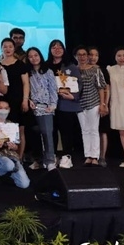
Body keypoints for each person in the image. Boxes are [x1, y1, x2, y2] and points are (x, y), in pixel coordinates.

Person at [0, 96, 30, 189]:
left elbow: (17, 146)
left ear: (9, 110)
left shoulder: (12, 125)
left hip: (12, 156)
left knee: (24, 184)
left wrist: (14, 147)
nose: (3, 111)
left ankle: (5, 174)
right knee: (8, 165)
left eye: (6, 108)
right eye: (0, 108)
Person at [47, 39, 81, 169]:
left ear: (64, 50)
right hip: (49, 106)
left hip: (66, 104)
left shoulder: (71, 66)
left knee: (67, 132)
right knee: (52, 132)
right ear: (50, 50)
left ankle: (67, 156)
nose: (57, 49)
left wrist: (73, 96)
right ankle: (53, 156)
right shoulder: (46, 66)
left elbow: (79, 84)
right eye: (54, 47)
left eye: (60, 47)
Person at [0, 38, 31, 162]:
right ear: (1, 48)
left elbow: (26, 84)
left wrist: (25, 100)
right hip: (3, 102)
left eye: (10, 47)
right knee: (4, 130)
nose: (8, 49)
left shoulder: (20, 65)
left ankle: (19, 158)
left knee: (20, 130)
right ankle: (7, 158)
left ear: (14, 48)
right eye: (5, 46)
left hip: (18, 101)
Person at [74, 45, 107, 166]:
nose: (82, 57)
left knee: (93, 130)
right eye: (79, 54)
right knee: (85, 130)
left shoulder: (95, 70)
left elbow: (101, 87)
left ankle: (95, 156)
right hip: (79, 104)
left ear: (88, 56)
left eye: (84, 54)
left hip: (93, 102)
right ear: (75, 56)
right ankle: (88, 155)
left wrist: (102, 104)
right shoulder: (73, 70)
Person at [26, 47, 58, 171]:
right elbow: (26, 89)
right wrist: (28, 100)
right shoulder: (28, 73)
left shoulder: (48, 71)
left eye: (36, 55)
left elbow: (53, 89)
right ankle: (38, 160)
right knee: (34, 135)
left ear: (40, 56)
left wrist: (53, 104)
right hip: (32, 107)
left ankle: (50, 160)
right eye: (30, 56)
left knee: (47, 133)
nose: (33, 58)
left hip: (46, 107)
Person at [88, 46, 111, 167]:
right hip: (88, 104)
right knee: (90, 131)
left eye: (96, 55)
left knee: (102, 130)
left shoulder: (102, 70)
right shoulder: (82, 69)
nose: (93, 57)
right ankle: (91, 155)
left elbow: (107, 88)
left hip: (100, 105)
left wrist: (105, 104)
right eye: (91, 55)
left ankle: (102, 156)